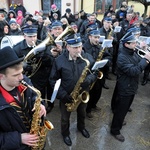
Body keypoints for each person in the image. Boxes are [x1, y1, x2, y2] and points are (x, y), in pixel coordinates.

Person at [49, 33, 98, 146]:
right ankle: (65, 134)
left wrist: (89, 79)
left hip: (82, 94)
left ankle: (82, 127)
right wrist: (63, 95)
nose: (79, 50)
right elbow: (52, 80)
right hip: (66, 95)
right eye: (75, 47)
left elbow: (95, 72)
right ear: (68, 47)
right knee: (65, 119)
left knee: (82, 113)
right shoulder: (59, 61)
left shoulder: (87, 57)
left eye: (80, 46)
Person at [0, 46, 46, 149]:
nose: (21, 77)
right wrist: (19, 138)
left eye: (21, 72)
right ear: (1, 76)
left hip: (36, 139)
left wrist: (40, 105)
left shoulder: (24, 81)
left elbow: (35, 95)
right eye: (16, 75)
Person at [110, 31, 150, 142]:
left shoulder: (132, 52)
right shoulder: (122, 57)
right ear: (126, 44)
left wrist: (145, 51)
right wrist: (146, 60)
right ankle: (115, 130)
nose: (135, 45)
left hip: (131, 86)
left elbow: (138, 62)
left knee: (125, 108)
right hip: (125, 87)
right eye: (133, 43)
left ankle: (120, 120)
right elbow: (134, 71)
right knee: (121, 110)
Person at [13, 25, 54, 114]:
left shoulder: (43, 45)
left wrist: (44, 57)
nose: (33, 39)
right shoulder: (17, 48)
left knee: (40, 99)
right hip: (25, 79)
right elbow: (13, 65)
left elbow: (51, 62)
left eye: (34, 36)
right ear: (24, 36)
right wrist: (23, 66)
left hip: (40, 80)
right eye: (30, 36)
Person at [83, 29, 103, 118]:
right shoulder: (84, 47)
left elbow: (107, 55)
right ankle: (87, 110)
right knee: (90, 92)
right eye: (95, 37)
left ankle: (93, 105)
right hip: (89, 73)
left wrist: (106, 61)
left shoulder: (99, 46)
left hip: (97, 72)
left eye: (98, 37)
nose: (97, 40)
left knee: (97, 91)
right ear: (90, 37)